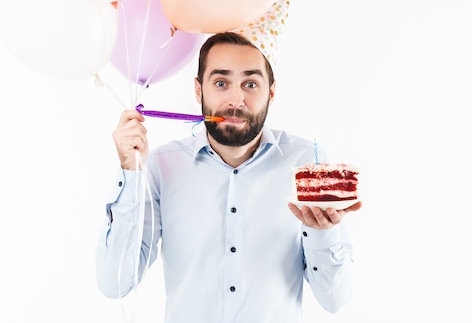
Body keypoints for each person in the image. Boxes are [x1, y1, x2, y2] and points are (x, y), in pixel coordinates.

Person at [96, 31, 362, 323]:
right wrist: (131, 172)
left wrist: (323, 232)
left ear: (271, 92)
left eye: (250, 83)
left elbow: (335, 300)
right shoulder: (161, 167)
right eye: (221, 83)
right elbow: (115, 282)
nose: (236, 100)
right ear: (199, 90)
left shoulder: (306, 164)